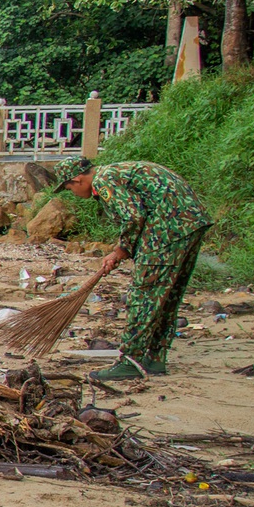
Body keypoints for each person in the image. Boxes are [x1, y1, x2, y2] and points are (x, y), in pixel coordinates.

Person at [56, 156, 213, 381]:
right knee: (167, 294)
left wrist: (121, 249)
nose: (72, 192)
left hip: (167, 229)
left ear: (78, 179)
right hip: (189, 225)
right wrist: (125, 249)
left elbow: (133, 216)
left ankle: (129, 361)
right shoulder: (117, 172)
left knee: (145, 294)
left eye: (69, 188)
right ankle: (155, 358)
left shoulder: (104, 181)